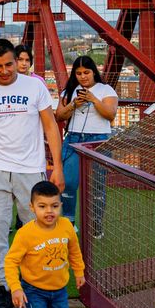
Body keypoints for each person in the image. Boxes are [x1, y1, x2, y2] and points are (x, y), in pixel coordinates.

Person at [0, 38, 64, 308]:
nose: (5, 71)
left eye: (9, 64)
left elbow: (49, 125)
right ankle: (4, 288)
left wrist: (56, 166)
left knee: (38, 231)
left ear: (16, 61)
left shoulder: (35, 87)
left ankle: (38, 286)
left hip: (30, 170)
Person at [4, 180, 85, 308]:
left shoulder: (66, 226)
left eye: (54, 206)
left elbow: (74, 251)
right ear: (32, 208)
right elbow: (10, 261)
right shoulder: (25, 234)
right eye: (42, 206)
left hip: (59, 290)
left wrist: (79, 272)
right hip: (34, 291)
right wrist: (15, 288)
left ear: (60, 206)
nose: (49, 211)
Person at [54, 55, 118, 231]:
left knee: (97, 185)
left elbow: (110, 114)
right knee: (69, 182)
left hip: (99, 140)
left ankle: (96, 224)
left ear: (94, 72)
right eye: (79, 73)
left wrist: (93, 99)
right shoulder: (69, 91)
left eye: (86, 72)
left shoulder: (106, 90)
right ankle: (69, 222)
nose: (83, 76)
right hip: (74, 138)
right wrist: (74, 104)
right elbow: (59, 116)